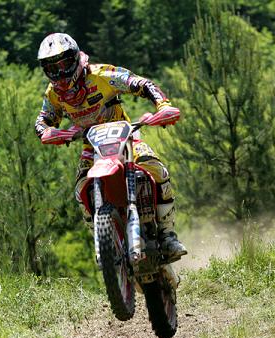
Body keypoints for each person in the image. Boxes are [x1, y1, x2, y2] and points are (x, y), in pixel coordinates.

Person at [34, 33, 187, 260]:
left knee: (156, 169)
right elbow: (43, 119)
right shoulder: (54, 94)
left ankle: (167, 234)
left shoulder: (102, 75)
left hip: (125, 137)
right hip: (91, 146)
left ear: (76, 58)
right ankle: (104, 240)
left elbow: (140, 83)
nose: (60, 73)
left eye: (64, 63)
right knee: (80, 190)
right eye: (52, 68)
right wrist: (48, 132)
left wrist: (162, 106)